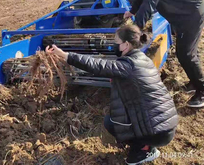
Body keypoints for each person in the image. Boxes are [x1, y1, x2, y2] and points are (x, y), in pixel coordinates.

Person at [46, 25, 178, 165]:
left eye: (116, 42)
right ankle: (144, 143)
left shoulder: (128, 65)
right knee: (114, 118)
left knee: (112, 125)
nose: (113, 45)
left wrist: (65, 55)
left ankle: (145, 148)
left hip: (157, 132)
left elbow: (97, 65)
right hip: (165, 126)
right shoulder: (143, 60)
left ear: (126, 45)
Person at [123, 0, 204, 108]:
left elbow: (150, 0)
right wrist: (132, 10)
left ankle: (202, 91)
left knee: (186, 54)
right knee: (185, 52)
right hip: (180, 14)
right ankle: (194, 82)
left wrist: (135, 29)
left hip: (191, 13)